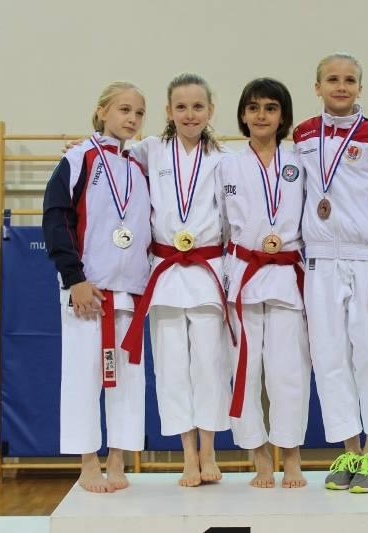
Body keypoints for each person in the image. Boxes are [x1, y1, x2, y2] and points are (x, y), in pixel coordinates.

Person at [293, 53, 368, 493]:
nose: (341, 86)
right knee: (329, 358)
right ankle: (349, 450)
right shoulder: (302, 135)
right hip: (319, 261)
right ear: (317, 86)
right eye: (332, 79)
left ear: (360, 88)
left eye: (349, 80)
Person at [119, 73, 235, 487]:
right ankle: (187, 454)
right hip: (166, 271)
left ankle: (209, 450)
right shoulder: (149, 150)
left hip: (208, 270)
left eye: (197, 107)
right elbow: (109, 153)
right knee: (171, 368)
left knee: (210, 364)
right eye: (181, 107)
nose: (189, 115)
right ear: (169, 111)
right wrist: (77, 150)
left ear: (210, 111)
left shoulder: (225, 159)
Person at [43, 81, 151, 493]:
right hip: (88, 289)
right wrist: (74, 278)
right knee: (82, 377)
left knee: (128, 381)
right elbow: (56, 217)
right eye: (124, 109)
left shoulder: (140, 164)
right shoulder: (78, 158)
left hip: (131, 289)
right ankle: (88, 462)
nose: (132, 119)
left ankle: (118, 458)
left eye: (139, 113)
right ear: (102, 111)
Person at [217, 78, 311, 489]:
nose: (261, 115)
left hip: (287, 273)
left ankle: (291, 456)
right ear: (242, 114)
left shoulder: (301, 161)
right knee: (245, 369)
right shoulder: (225, 164)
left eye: (270, 108)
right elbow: (219, 224)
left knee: (288, 371)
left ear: (283, 116)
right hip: (244, 272)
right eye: (253, 107)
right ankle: (258, 456)